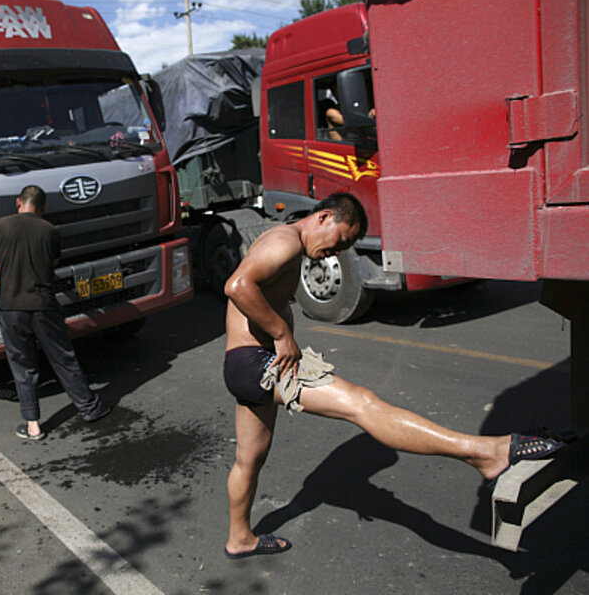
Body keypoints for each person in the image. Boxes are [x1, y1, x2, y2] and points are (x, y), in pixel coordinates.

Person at [222, 191, 565, 559]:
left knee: (250, 458)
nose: (337, 251)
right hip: (257, 363)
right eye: (341, 240)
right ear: (323, 218)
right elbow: (237, 286)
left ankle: (240, 539)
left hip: (245, 364)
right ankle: (483, 452)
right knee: (362, 403)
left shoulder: (280, 240)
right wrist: (282, 334)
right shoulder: (285, 242)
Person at [0, 185, 111, 440]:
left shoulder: (0, 226)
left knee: (22, 365)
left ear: (18, 202)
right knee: (63, 358)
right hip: (44, 305)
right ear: (42, 208)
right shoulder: (51, 231)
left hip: (11, 307)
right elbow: (53, 262)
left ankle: (32, 425)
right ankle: (91, 409)